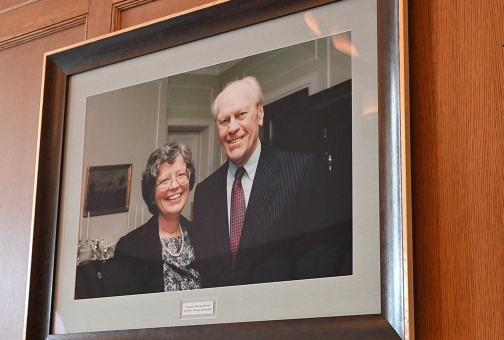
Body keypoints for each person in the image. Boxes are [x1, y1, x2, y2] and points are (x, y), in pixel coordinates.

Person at [191, 76, 351, 288]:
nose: (232, 128)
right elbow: (204, 267)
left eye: (241, 115)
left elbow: (324, 254)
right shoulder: (205, 192)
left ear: (260, 114)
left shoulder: (301, 171)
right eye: (224, 120)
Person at [112, 140, 201, 294]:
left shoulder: (203, 237)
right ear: (152, 193)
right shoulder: (130, 247)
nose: (174, 186)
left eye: (181, 175)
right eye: (165, 180)